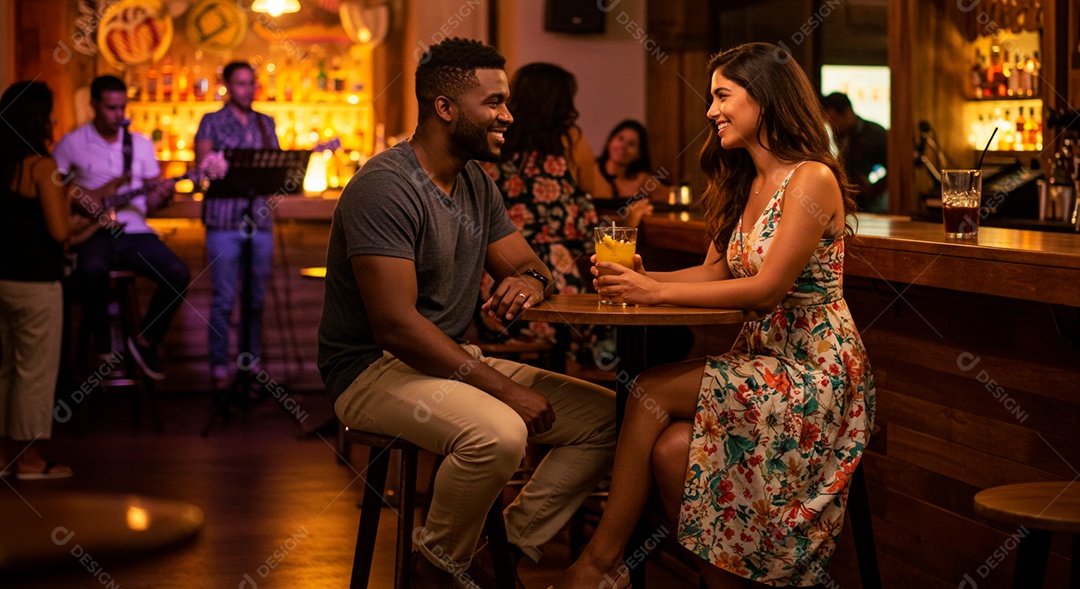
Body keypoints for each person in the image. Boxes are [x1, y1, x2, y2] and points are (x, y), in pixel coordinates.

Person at [555, 42, 876, 588]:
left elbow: (766, 291)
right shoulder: (746, 180)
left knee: (646, 391)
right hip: (763, 362)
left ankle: (601, 563)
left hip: (813, 373)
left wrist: (651, 296)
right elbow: (719, 274)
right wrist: (642, 279)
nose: (710, 111)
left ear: (765, 99)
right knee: (672, 449)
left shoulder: (811, 179)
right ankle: (721, 581)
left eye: (722, 95)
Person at [318, 38, 616, 589]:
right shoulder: (385, 187)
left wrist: (527, 280)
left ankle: (486, 556)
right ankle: (433, 571)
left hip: (446, 362)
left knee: (608, 418)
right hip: (371, 369)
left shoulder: (476, 182)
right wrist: (507, 390)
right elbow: (396, 327)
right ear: (445, 107)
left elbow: (528, 263)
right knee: (499, 434)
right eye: (495, 102)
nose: (508, 115)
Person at [54, 75, 190, 381]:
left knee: (178, 272)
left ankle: (145, 340)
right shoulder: (72, 143)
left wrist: (164, 195)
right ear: (94, 106)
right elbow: (56, 191)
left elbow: (153, 199)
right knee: (89, 270)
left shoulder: (140, 144)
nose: (119, 115)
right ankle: (102, 337)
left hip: (135, 231)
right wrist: (86, 204)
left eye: (122, 107)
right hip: (95, 232)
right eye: (111, 108)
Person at [479, 62, 602, 360]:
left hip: (498, 274)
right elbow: (597, 190)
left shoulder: (495, 136)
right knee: (592, 321)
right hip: (555, 271)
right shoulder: (569, 139)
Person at [0, 81, 73, 479]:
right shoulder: (42, 168)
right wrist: (67, 196)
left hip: (2, 279)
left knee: (6, 369)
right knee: (34, 373)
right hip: (35, 284)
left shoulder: (2, 165)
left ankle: (2, 456)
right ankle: (28, 460)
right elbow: (59, 232)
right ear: (37, 119)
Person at [194, 61, 278, 390]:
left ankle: (250, 363)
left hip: (260, 219)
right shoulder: (211, 121)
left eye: (251, 83)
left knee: (256, 298)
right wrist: (212, 166)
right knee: (225, 299)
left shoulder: (265, 122)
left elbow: (276, 167)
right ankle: (219, 367)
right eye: (240, 83)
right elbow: (202, 169)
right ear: (228, 86)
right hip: (223, 220)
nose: (247, 89)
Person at [823, 92, 888, 214]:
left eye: (834, 120)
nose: (832, 126)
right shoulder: (841, 135)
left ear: (848, 112)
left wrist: (872, 187)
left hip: (875, 205)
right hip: (849, 203)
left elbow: (891, 168)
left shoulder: (875, 133)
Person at [597, 119, 668, 207]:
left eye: (631, 144)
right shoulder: (592, 170)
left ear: (639, 154)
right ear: (610, 141)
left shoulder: (641, 179)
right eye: (620, 139)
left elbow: (669, 196)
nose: (623, 146)